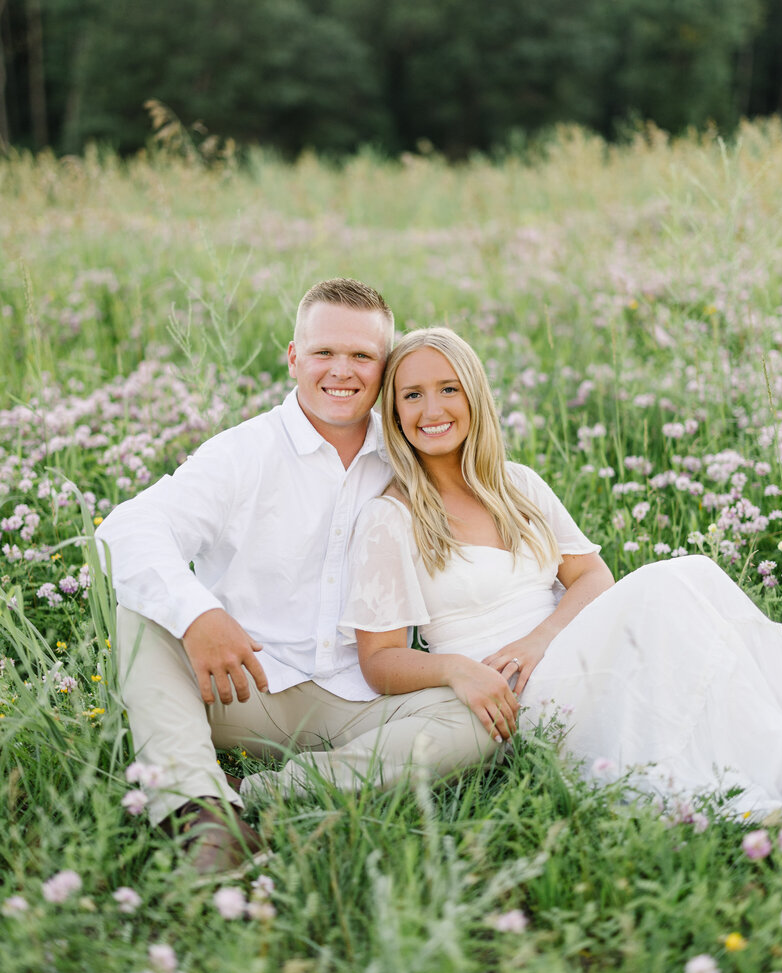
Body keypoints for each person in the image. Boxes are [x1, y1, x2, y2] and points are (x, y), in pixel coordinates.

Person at [95, 282, 499, 877]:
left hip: (360, 697)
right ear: (293, 358)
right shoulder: (244, 452)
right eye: (324, 354)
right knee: (141, 620)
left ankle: (258, 794)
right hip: (242, 685)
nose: (342, 371)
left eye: (363, 356)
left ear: (384, 369)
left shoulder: (407, 453)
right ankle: (201, 814)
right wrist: (198, 615)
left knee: (476, 719)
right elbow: (127, 528)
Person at [341, 326, 782, 816]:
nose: (432, 410)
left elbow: (592, 576)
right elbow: (380, 661)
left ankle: (773, 757)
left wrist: (542, 639)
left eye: (448, 389)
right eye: (412, 395)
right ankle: (746, 783)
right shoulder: (390, 518)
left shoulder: (517, 485)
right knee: (668, 581)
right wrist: (457, 670)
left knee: (696, 579)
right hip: (518, 690)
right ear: (393, 414)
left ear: (474, 395)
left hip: (568, 645)